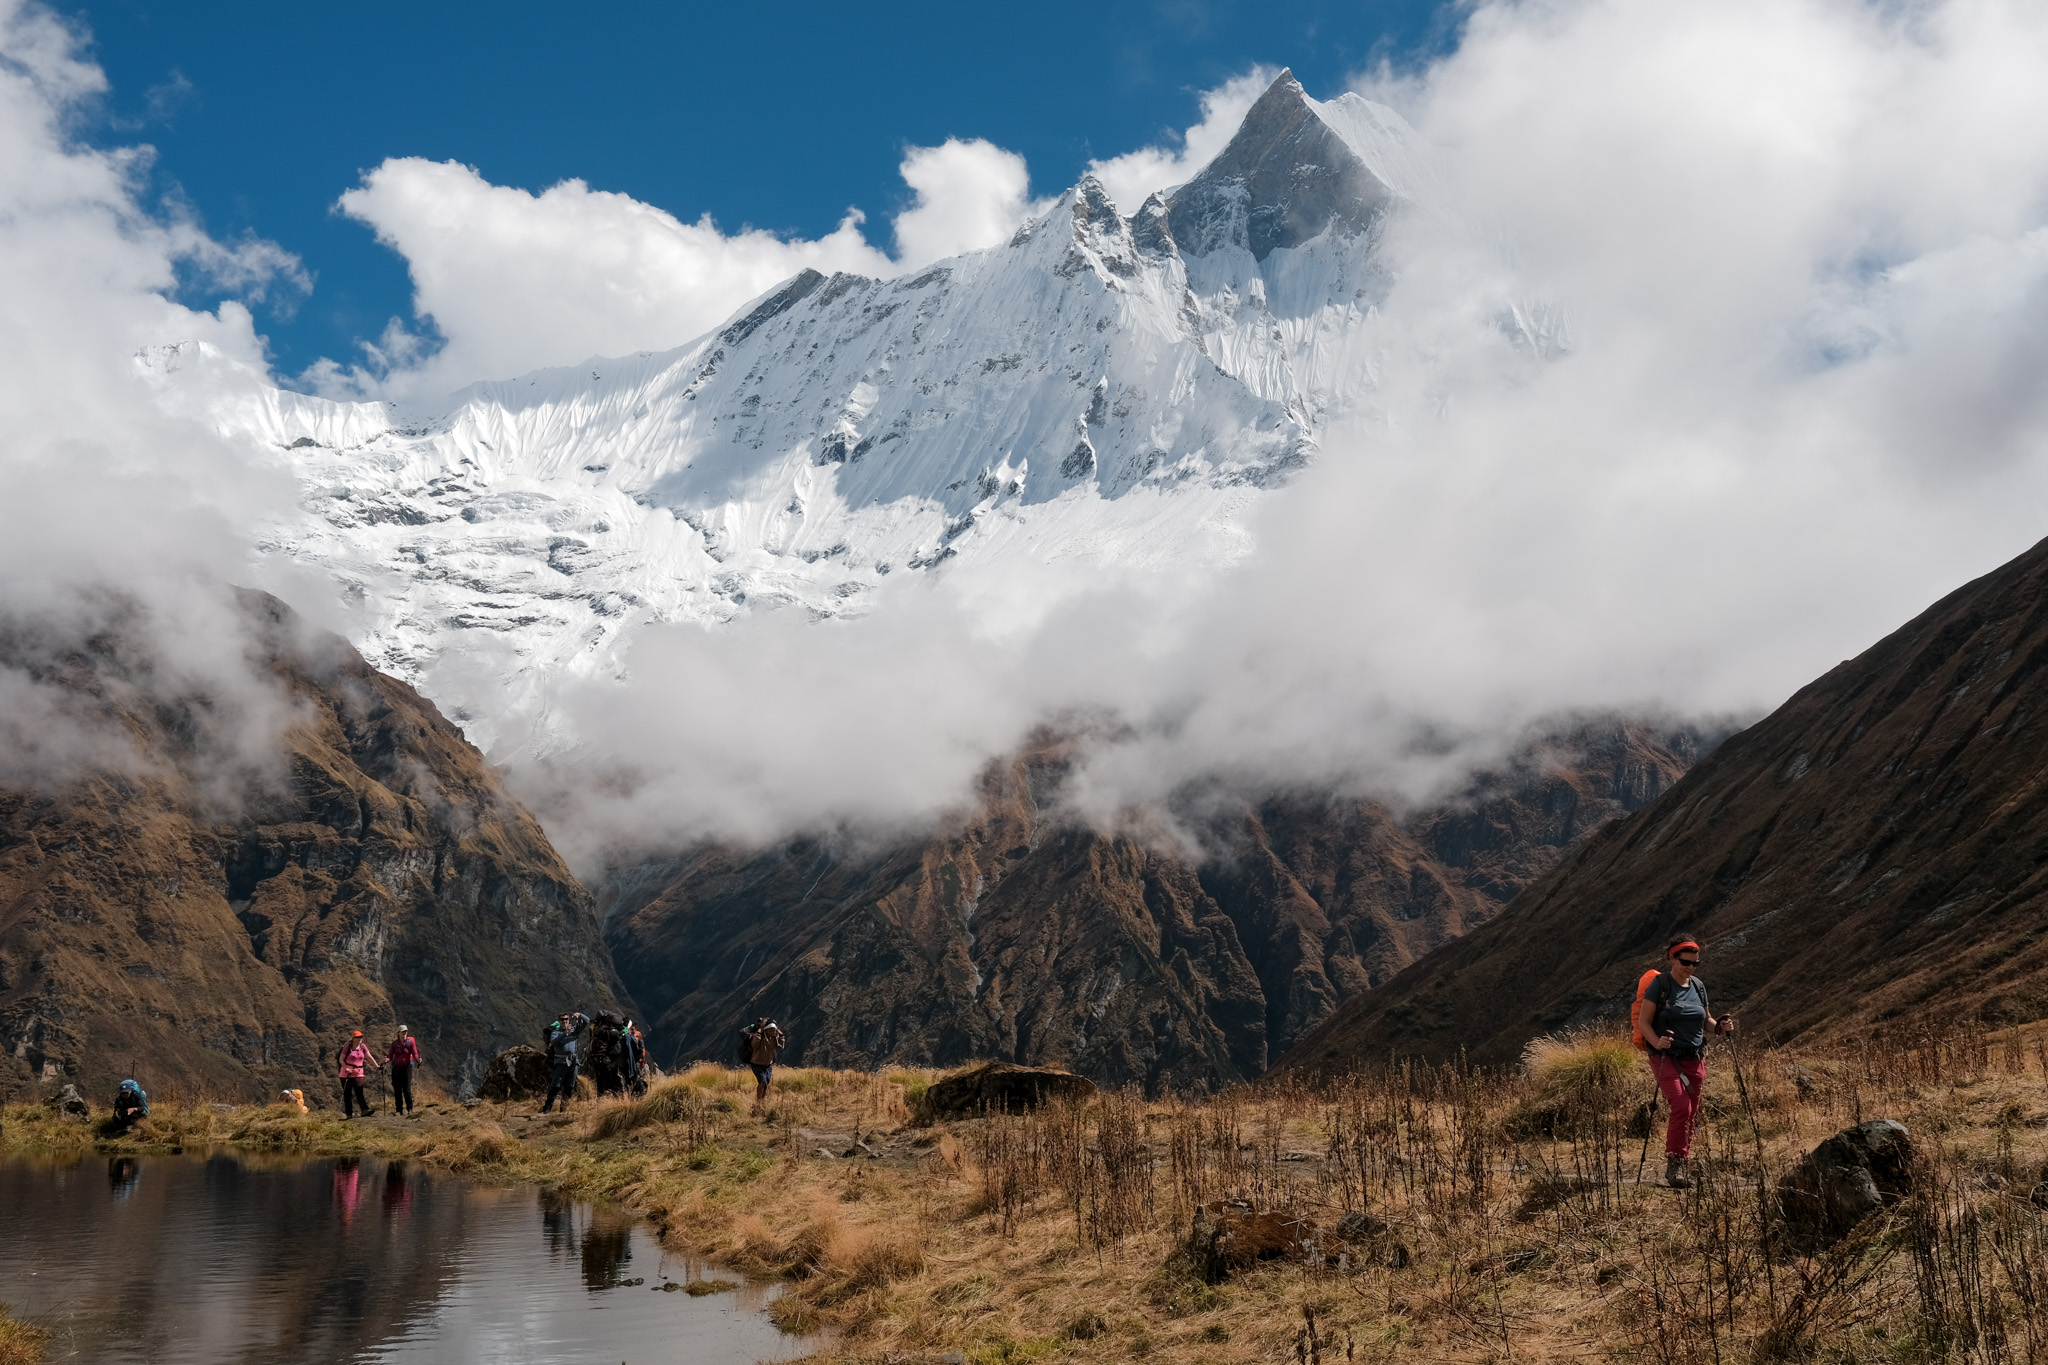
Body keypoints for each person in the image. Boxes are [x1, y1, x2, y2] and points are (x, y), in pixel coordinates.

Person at [1634, 934, 1736, 1188]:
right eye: (1685, 962)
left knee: (1692, 1110)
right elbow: (1643, 1023)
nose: (1690, 967)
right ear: (1672, 958)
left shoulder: (1698, 986)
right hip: (1665, 1056)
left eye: (1695, 963)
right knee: (1682, 1106)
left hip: (1695, 1056)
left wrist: (1720, 1028)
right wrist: (1657, 1042)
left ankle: (1682, 1162)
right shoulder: (1661, 985)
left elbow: (1706, 1020)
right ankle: (1676, 1163)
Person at [541, 1012, 588, 1113]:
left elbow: (587, 1021)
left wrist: (580, 1015)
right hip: (561, 1062)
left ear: (569, 1020)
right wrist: (565, 1033)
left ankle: (564, 1108)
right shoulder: (556, 1032)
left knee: (569, 1085)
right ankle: (547, 1107)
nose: (565, 1021)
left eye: (566, 1019)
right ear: (559, 1021)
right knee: (556, 1084)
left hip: (573, 1062)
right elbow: (553, 1042)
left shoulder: (574, 1030)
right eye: (562, 1020)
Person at [740, 1016, 787, 1107]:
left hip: (768, 1065)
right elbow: (754, 1044)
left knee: (765, 1084)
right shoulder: (759, 1038)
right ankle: (758, 1100)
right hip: (757, 1064)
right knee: (762, 1081)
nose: (772, 1032)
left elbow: (780, 1046)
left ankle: (762, 1100)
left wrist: (779, 1033)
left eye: (773, 1031)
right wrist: (760, 1031)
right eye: (770, 1030)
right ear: (765, 1030)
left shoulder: (774, 1038)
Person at [338, 1030, 381, 1118]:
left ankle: (364, 1110)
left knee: (359, 1091)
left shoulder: (363, 1046)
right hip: (346, 1073)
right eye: (357, 1037)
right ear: (353, 1038)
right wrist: (346, 1067)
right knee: (347, 1094)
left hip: (358, 1073)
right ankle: (349, 1114)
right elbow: (341, 1059)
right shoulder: (347, 1047)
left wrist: (377, 1066)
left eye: (360, 1037)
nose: (359, 1039)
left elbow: (369, 1057)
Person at [387, 1026, 422, 1116]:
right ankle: (399, 1110)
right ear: (398, 1033)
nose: (404, 1034)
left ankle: (410, 1109)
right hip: (396, 1068)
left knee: (406, 1088)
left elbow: (415, 1052)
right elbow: (390, 1055)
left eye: (405, 1032)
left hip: (407, 1067)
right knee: (397, 1089)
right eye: (402, 1032)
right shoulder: (394, 1044)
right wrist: (386, 1060)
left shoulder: (410, 1042)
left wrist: (418, 1059)